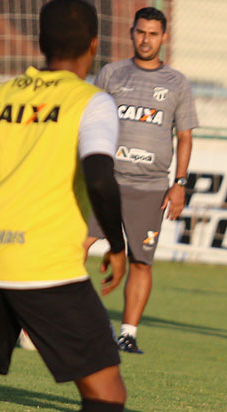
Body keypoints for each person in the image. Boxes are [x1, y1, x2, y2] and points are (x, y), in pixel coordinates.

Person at [0, 1, 127, 412]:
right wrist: (118, 245)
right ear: (93, 46)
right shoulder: (91, 102)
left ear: (39, 43)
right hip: (47, 270)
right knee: (106, 396)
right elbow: (100, 175)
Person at [85, 6, 199, 354]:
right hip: (106, 181)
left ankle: (128, 333)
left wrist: (179, 182)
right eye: (140, 32)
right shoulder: (111, 74)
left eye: (153, 33)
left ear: (164, 37)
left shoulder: (176, 82)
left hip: (149, 187)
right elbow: (89, 120)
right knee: (75, 248)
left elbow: (184, 135)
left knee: (140, 260)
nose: (145, 39)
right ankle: (89, 319)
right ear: (131, 32)